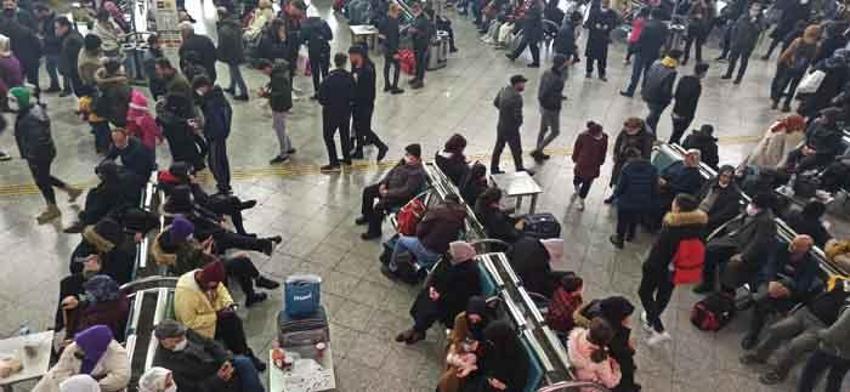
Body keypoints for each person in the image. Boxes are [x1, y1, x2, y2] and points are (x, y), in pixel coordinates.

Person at [740, 281, 850, 385]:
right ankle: (760, 356)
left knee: (796, 345)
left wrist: (826, 333)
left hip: (822, 326)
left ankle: (779, 373)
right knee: (777, 329)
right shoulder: (843, 283)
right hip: (806, 313)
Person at [639, 194, 707, 344]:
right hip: (679, 269)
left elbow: (658, 252)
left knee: (644, 292)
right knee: (664, 294)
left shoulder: (672, 227)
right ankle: (651, 320)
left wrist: (647, 265)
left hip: (659, 268)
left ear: (678, 208)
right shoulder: (700, 226)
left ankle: (658, 328)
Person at [173, 261, 265, 370]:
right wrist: (216, 316)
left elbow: (221, 290)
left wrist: (229, 304)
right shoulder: (186, 293)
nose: (213, 289)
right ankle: (243, 356)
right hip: (199, 330)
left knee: (233, 321)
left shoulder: (207, 279)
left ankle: (244, 354)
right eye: (211, 287)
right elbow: (189, 322)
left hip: (214, 316)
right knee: (232, 324)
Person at [9, 86, 81, 223]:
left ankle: (52, 208)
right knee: (44, 177)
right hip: (43, 152)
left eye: (12, 100)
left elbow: (37, 141)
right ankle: (71, 190)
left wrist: (31, 156)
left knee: (41, 181)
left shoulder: (29, 119)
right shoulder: (31, 111)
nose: (9, 103)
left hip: (38, 155)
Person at [740, 235, 820, 350]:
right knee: (766, 299)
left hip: (787, 292)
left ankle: (753, 301)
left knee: (781, 287)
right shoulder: (781, 248)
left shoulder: (812, 263)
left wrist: (787, 291)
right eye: (793, 243)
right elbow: (769, 267)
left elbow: (804, 285)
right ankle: (752, 332)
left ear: (806, 249)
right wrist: (772, 281)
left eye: (797, 246)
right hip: (768, 283)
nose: (792, 246)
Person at [396, 241, 480, 344]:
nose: (448, 252)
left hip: (453, 301)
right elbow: (437, 273)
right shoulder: (449, 259)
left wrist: (440, 296)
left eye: (451, 252)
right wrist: (432, 287)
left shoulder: (470, 273)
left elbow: (461, 295)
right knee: (425, 297)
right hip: (439, 291)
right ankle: (418, 330)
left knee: (432, 306)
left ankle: (416, 330)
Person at [695, 192, 777, 293]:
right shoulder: (753, 211)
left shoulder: (767, 222)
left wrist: (743, 256)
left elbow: (759, 243)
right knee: (710, 248)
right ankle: (708, 281)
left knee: (712, 253)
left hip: (743, 249)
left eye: (755, 206)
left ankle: (714, 286)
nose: (751, 207)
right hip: (735, 240)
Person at [153, 320, 265, 392]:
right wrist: (218, 378)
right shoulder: (166, 367)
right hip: (209, 383)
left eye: (183, 337)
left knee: (244, 362)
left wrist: (225, 360)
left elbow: (210, 344)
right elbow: (192, 389)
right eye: (178, 340)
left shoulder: (186, 334)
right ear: (165, 342)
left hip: (218, 365)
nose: (184, 341)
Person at [385, 194, 467, 277]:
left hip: (427, 250)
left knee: (401, 241)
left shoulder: (438, 211)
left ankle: (392, 269)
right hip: (440, 256)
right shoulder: (461, 217)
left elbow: (420, 231)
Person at [356, 144, 426, 239]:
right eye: (407, 154)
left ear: (416, 158)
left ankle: (374, 232)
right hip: (388, 187)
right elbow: (391, 172)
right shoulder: (404, 162)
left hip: (399, 197)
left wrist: (387, 193)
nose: (406, 157)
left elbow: (405, 191)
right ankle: (367, 215)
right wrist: (383, 183)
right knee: (368, 191)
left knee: (379, 206)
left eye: (409, 156)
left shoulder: (417, 173)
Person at [33, 325, 130, 392]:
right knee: (47, 383)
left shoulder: (117, 354)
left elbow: (122, 377)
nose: (77, 348)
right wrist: (72, 384)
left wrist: (92, 385)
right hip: (65, 384)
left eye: (83, 348)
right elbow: (60, 371)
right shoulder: (74, 347)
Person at [574, 296, 639, 392]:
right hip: (596, 381)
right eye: (626, 317)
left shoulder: (597, 308)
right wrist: (626, 331)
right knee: (626, 363)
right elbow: (621, 351)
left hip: (583, 365)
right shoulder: (607, 332)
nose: (628, 319)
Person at [796, 297, 850, 392]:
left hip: (832, 349)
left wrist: (821, 333)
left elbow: (834, 335)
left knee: (809, 373)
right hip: (847, 356)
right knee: (835, 380)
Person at [437, 296, 491, 392]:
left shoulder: (488, 327)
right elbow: (457, 339)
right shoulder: (461, 319)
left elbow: (485, 348)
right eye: (472, 319)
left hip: (477, 357)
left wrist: (475, 352)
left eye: (477, 320)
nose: (474, 322)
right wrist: (465, 348)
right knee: (454, 371)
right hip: (461, 349)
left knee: (455, 374)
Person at [610, 147, 658, 249]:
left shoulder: (627, 168)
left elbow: (620, 186)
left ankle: (620, 240)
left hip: (626, 201)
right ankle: (631, 236)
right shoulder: (652, 168)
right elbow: (654, 187)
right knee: (635, 219)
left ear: (629, 158)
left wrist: (615, 195)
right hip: (643, 202)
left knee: (622, 221)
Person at [58, 274, 130, 340]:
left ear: (98, 296)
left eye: (89, 293)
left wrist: (70, 312)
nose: (86, 295)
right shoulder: (116, 298)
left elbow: (79, 336)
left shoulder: (99, 318)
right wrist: (78, 304)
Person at [348, 45, 389, 161]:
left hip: (365, 102)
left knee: (364, 128)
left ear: (357, 55)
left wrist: (356, 81)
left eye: (351, 56)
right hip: (356, 101)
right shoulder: (355, 65)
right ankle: (359, 151)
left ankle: (382, 146)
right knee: (357, 126)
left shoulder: (368, 69)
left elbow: (367, 88)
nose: (349, 58)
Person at [193, 76, 233, 194]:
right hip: (218, 135)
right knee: (220, 160)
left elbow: (214, 121)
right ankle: (224, 183)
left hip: (215, 136)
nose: (198, 92)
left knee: (215, 162)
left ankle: (223, 187)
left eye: (199, 89)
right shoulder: (215, 96)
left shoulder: (212, 102)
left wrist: (202, 128)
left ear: (205, 86)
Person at [770, 24, 821, 112]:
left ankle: (776, 102)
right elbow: (813, 58)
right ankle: (786, 105)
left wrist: (781, 61)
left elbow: (787, 52)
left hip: (790, 66)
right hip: (801, 69)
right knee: (793, 87)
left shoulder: (798, 41)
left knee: (783, 84)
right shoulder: (816, 46)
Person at [317, 53, 354, 171]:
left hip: (331, 111)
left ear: (335, 61)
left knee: (328, 136)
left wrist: (326, 104)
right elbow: (354, 94)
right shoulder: (349, 77)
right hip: (345, 111)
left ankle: (334, 163)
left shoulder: (329, 78)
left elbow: (321, 96)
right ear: (345, 62)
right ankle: (347, 158)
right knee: (344, 134)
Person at [620, 8, 667, 97]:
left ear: (652, 15)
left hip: (642, 52)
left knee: (636, 73)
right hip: (654, 53)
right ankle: (644, 90)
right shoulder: (664, 27)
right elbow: (664, 40)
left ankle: (631, 91)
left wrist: (635, 49)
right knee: (648, 73)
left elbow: (641, 38)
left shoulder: (647, 25)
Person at [255, 59, 295, 165]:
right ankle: (289, 147)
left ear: (268, 67)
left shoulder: (277, 77)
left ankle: (283, 154)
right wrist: (269, 85)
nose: (264, 73)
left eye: (263, 71)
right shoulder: (278, 73)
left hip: (280, 106)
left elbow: (279, 93)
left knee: (279, 129)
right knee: (279, 126)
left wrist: (264, 94)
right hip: (284, 104)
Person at [531, 54, 568, 162]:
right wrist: (559, 97)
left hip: (543, 105)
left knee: (543, 129)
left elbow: (543, 89)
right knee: (555, 131)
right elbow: (550, 91)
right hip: (552, 107)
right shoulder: (557, 78)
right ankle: (539, 149)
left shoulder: (546, 73)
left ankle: (539, 151)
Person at [606, 118, 653, 202]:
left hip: (636, 160)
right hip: (623, 157)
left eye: (630, 131)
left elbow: (647, 153)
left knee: (628, 180)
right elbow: (618, 141)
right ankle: (615, 194)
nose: (627, 132)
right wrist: (615, 153)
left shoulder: (647, 135)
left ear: (638, 129)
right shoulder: (626, 128)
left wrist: (641, 165)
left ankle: (622, 196)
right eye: (626, 130)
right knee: (617, 177)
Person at [567, 317, 622, 389]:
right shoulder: (598, 359)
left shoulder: (576, 338)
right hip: (589, 387)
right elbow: (610, 383)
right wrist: (617, 370)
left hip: (575, 380)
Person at [491, 74, 529, 174]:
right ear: (517, 84)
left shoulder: (503, 90)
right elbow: (518, 116)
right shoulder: (517, 97)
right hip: (511, 128)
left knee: (498, 147)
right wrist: (518, 123)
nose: (524, 86)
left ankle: (494, 168)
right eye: (522, 83)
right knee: (516, 149)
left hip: (501, 125)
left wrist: (504, 112)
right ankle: (519, 168)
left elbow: (495, 102)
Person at [742, 114, 807, 170]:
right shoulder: (779, 135)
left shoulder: (778, 125)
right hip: (761, 163)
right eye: (797, 128)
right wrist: (775, 168)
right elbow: (772, 154)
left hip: (757, 157)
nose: (796, 131)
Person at [722, 3, 765, 84]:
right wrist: (733, 40)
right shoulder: (743, 17)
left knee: (744, 61)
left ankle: (739, 78)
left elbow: (760, 30)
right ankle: (729, 73)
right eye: (753, 9)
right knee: (733, 59)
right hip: (738, 42)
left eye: (756, 10)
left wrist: (754, 23)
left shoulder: (760, 20)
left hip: (748, 44)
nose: (754, 12)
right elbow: (736, 27)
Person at [642, 49, 682, 134]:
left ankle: (651, 133)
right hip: (659, 99)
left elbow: (647, 76)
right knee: (653, 118)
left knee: (653, 116)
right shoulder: (672, 72)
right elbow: (666, 90)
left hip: (648, 93)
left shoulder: (656, 63)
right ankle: (649, 134)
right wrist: (669, 98)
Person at [571, 121, 608, 211]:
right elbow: (577, 148)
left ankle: (581, 200)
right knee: (577, 180)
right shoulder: (583, 137)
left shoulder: (604, 138)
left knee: (587, 184)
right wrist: (575, 158)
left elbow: (604, 150)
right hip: (582, 163)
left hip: (594, 165)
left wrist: (601, 161)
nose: (599, 136)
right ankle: (577, 187)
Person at [669, 63, 709, 144]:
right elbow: (692, 103)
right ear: (702, 73)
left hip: (675, 111)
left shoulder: (684, 79)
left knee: (675, 133)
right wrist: (689, 117)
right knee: (676, 136)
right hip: (685, 115)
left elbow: (676, 94)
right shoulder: (697, 85)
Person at [697, 165, 742, 234]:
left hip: (710, 222)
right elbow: (699, 195)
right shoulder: (711, 182)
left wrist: (706, 219)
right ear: (720, 174)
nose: (726, 179)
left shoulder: (734, 194)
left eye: (729, 177)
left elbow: (724, 214)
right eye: (724, 176)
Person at [216, 8, 248, 101]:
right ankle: (232, 87)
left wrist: (220, 54)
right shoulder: (234, 24)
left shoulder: (224, 28)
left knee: (236, 72)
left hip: (230, 53)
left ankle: (244, 92)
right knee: (233, 70)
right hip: (238, 51)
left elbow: (222, 44)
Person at [583, 0, 619, 80]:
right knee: (590, 56)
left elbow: (615, 23)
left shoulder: (612, 13)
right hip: (593, 37)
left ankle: (601, 74)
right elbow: (588, 23)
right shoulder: (594, 11)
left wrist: (608, 26)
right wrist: (595, 26)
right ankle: (589, 71)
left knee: (602, 58)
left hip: (603, 39)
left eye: (607, 2)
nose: (605, 3)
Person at [93, 57, 131, 129]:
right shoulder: (119, 85)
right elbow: (129, 96)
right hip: (121, 114)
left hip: (111, 114)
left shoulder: (103, 81)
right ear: (115, 71)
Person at [300, 13, 332, 98]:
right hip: (325, 49)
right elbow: (330, 36)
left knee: (315, 72)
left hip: (313, 50)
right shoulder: (324, 23)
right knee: (325, 72)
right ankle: (327, 92)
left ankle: (317, 92)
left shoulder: (305, 25)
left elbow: (302, 39)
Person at [506, 0, 543, 67]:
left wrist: (523, 16)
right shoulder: (532, 4)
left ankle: (536, 63)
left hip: (534, 29)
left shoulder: (537, 6)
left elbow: (531, 17)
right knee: (524, 42)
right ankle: (514, 56)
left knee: (532, 45)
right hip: (529, 28)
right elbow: (526, 12)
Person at [33, 3, 60, 93]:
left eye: (38, 14)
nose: (37, 16)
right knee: (50, 67)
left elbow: (57, 36)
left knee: (58, 68)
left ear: (44, 11)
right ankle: (55, 84)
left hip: (55, 48)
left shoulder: (55, 20)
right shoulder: (46, 20)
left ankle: (60, 86)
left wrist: (44, 38)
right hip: (49, 48)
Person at [54, 16, 82, 97]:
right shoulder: (67, 37)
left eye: (57, 28)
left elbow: (73, 59)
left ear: (65, 27)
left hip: (76, 73)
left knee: (79, 91)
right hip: (72, 73)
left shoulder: (72, 40)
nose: (55, 31)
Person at [408, 2, 433, 89]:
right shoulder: (416, 18)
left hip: (422, 44)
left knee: (421, 62)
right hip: (416, 43)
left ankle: (420, 80)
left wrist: (416, 31)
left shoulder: (425, 19)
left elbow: (427, 32)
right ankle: (417, 77)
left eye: (415, 9)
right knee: (417, 62)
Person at [381, 3, 404, 94]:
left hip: (385, 47)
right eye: (398, 11)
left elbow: (382, 35)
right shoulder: (394, 22)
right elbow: (393, 38)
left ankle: (387, 85)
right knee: (397, 66)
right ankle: (394, 87)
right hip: (392, 48)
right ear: (394, 11)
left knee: (387, 66)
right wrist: (395, 52)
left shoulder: (384, 19)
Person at [0, 34, 22, 110]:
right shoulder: (12, 58)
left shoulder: (2, 61)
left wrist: (6, 92)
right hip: (16, 87)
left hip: (7, 92)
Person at [142, 34, 166, 100]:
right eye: (160, 42)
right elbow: (154, 76)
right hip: (158, 88)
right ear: (154, 44)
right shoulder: (149, 58)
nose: (162, 44)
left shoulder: (158, 52)